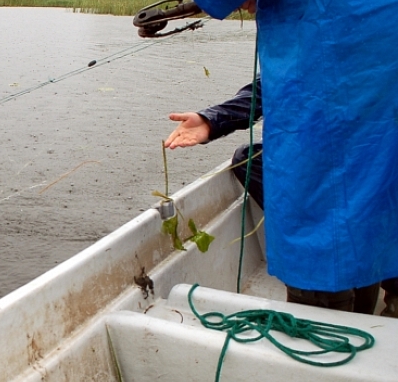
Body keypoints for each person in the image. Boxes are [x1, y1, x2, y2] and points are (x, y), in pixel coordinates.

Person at [181, 0, 398, 309]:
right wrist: (216, 119)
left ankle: (323, 339)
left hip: (342, 27)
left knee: (325, 207)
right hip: (371, 34)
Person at [165, 79, 398, 316]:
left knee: (366, 211)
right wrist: (211, 120)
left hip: (377, 161)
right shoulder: (307, 53)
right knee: (249, 159)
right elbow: (278, 80)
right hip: (336, 160)